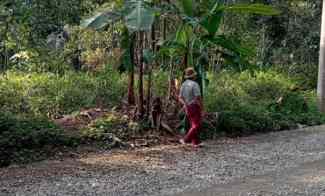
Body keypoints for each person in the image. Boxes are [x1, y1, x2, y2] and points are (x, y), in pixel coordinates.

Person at [178, 67, 204, 148]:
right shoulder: (195, 84)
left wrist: (185, 104)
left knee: (193, 124)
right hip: (194, 106)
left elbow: (180, 97)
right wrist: (202, 108)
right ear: (193, 76)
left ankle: (195, 142)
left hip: (187, 107)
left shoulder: (184, 84)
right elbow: (198, 97)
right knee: (197, 125)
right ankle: (185, 139)